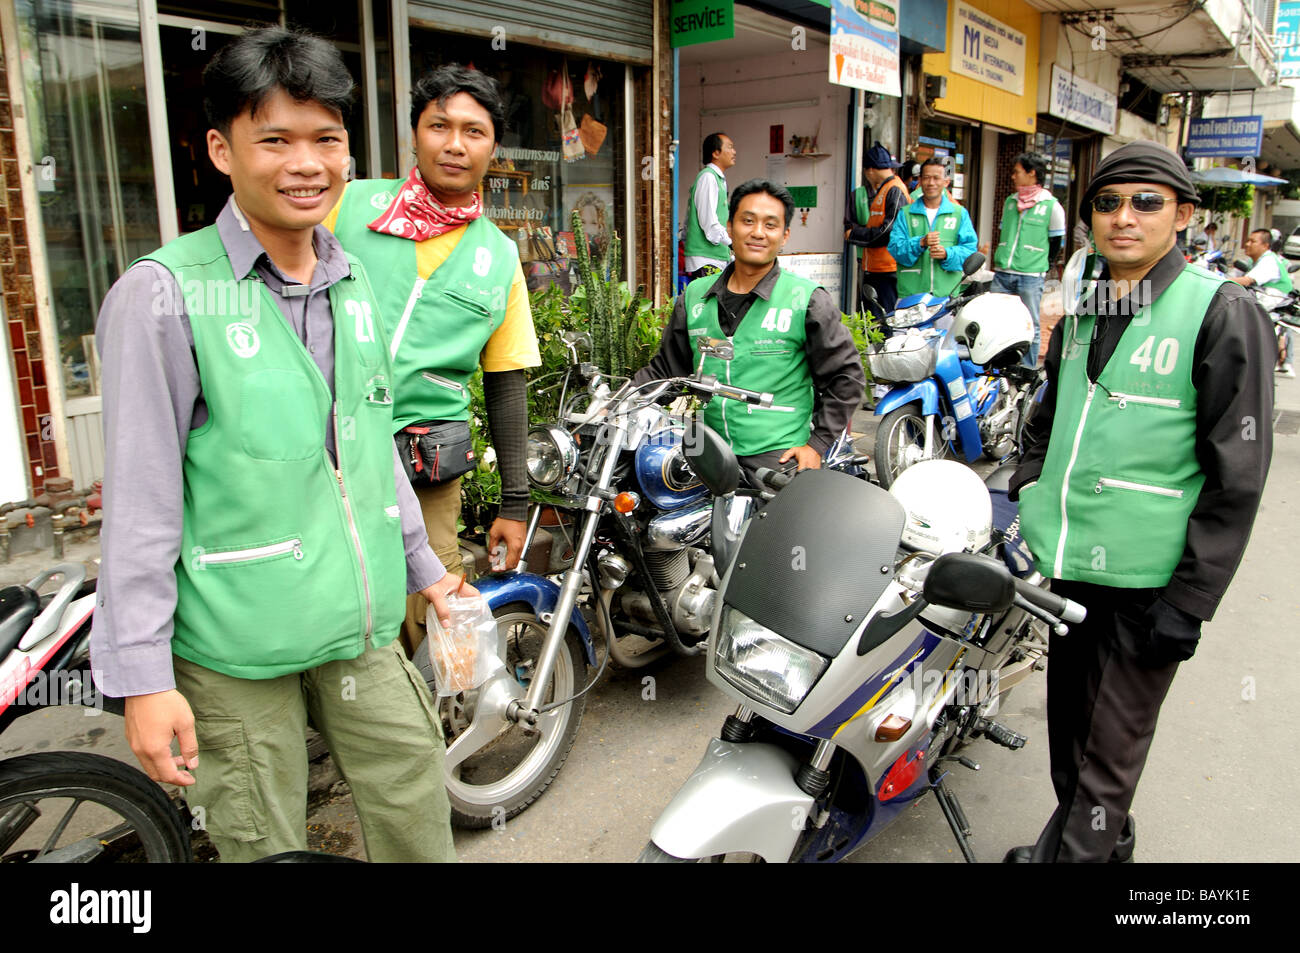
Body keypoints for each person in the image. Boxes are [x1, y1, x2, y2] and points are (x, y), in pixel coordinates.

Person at [90, 27, 469, 862]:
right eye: (275, 140)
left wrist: (429, 573)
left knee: (416, 808)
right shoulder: (164, 294)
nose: (307, 164)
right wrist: (143, 677)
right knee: (263, 841)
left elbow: (368, 447)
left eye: (326, 138)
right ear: (222, 150)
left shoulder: (353, 279)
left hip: (359, 625)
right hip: (235, 644)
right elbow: (141, 501)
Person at [1006, 140, 1273, 863]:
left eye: (1146, 202)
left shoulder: (1222, 310)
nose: (1124, 218)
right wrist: (1030, 480)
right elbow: (1051, 410)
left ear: (1183, 213)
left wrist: (1188, 601)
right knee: (1072, 749)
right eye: (1108, 203)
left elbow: (1238, 474)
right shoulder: (1090, 305)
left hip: (1148, 586)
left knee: (1102, 771)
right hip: (1070, 566)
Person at [325, 65, 540, 655]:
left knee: (429, 610)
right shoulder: (347, 206)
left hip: (424, 468)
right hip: (324, 447)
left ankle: (440, 734)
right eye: (439, 125)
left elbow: (506, 380)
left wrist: (515, 504)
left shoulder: (498, 258)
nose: (454, 144)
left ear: (494, 146)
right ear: (413, 136)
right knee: (341, 596)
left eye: (474, 131)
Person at [633, 179, 865, 477]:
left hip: (776, 453)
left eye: (770, 225)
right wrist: (615, 405)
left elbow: (846, 377)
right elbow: (666, 370)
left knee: (771, 523)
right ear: (730, 228)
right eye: (748, 221)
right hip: (708, 447)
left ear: (785, 236)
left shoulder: (806, 300)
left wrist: (817, 444)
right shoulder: (694, 296)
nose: (757, 232)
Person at [991, 152, 1066, 367]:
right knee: (996, 322)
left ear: (1031, 173)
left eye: (1017, 172)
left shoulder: (1052, 206)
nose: (1013, 176)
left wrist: (1043, 265)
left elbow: (1056, 242)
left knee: (1029, 324)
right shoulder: (1010, 202)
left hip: (1030, 277)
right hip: (1003, 273)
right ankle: (999, 366)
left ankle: (1028, 370)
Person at [888, 158, 979, 302]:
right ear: (919, 181)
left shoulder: (959, 213)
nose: (931, 183)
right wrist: (920, 243)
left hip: (947, 296)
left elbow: (969, 251)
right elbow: (895, 249)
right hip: (911, 296)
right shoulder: (905, 213)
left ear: (946, 182)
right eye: (926, 178)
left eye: (936, 178)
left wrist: (947, 254)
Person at [844, 142, 910, 318]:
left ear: (869, 170)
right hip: (878, 268)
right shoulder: (887, 188)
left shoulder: (894, 189)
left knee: (884, 321)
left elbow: (889, 231)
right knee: (875, 321)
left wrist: (855, 234)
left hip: (887, 269)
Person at [1232, 227, 1294, 377]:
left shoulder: (1269, 261)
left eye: (1252, 241)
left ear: (1266, 246)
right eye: (1247, 240)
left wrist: (1213, 280)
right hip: (1262, 305)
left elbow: (1246, 280)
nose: (1247, 244)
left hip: (1271, 305)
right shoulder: (1254, 261)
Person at [683, 132, 737, 280]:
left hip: (714, 257)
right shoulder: (708, 178)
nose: (734, 152)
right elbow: (709, 223)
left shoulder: (717, 179)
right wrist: (732, 244)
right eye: (730, 147)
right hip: (705, 260)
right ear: (716, 153)